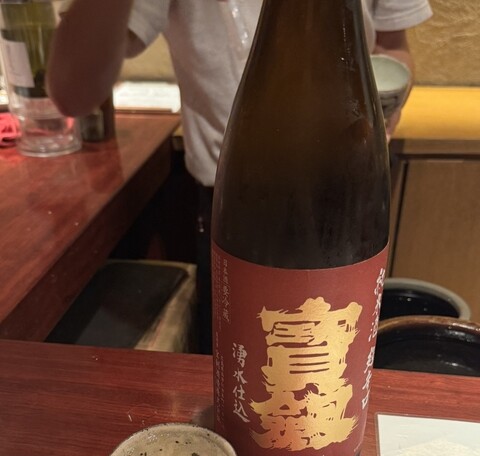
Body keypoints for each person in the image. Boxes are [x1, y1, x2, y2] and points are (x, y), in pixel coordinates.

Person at [47, 0, 432, 353]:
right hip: (234, 205)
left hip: (343, 191)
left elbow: (393, 47)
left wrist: (379, 107)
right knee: (240, 360)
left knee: (334, 360)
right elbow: (73, 89)